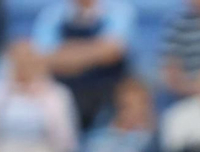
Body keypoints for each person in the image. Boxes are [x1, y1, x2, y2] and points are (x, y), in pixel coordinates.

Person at [32, 0, 137, 128]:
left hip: (107, 95)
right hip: (66, 94)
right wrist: (95, 52)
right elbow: (43, 58)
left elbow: (113, 52)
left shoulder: (118, 10)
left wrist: (66, 54)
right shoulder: (52, 14)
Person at [81, 76, 156, 152]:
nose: (135, 111)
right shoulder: (98, 138)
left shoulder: (151, 139)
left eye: (140, 105)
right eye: (128, 106)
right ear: (118, 106)